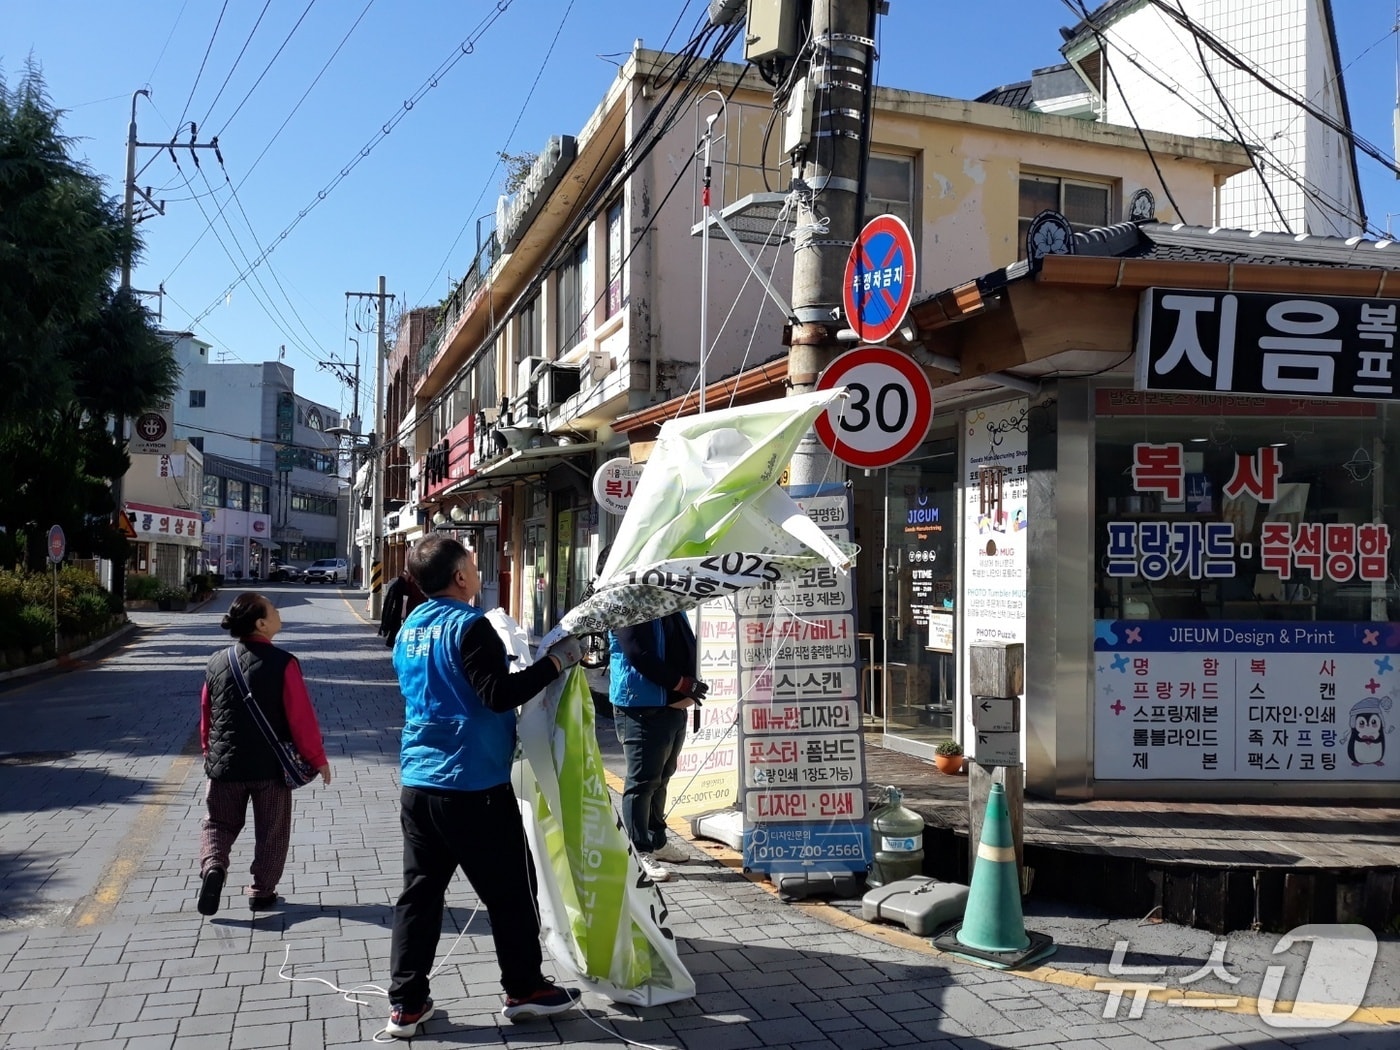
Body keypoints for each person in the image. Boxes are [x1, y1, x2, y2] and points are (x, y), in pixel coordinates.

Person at [385, 534, 584, 1039]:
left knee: (419, 897)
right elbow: (498, 694)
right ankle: (524, 989)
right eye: (473, 565)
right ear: (459, 577)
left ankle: (407, 1004)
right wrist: (557, 662)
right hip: (474, 785)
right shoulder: (470, 626)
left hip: (419, 783)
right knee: (512, 893)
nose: (478, 571)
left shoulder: (410, 627)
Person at [196, 593, 331, 917]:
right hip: (270, 768)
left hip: (224, 765)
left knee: (218, 823)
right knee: (272, 830)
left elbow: (207, 713)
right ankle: (262, 891)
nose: (278, 613)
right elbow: (300, 717)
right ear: (261, 623)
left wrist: (209, 751)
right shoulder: (283, 663)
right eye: (273, 610)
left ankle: (214, 866)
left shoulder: (217, 661)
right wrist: (317, 759)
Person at [608, 610, 708, 883]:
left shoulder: (668, 603)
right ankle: (638, 850)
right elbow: (638, 653)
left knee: (662, 777)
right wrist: (681, 683)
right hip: (641, 707)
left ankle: (657, 840)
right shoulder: (628, 604)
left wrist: (686, 689)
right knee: (642, 781)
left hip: (672, 705)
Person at [378, 567, 427, 648]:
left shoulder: (404, 583)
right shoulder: (408, 584)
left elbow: (391, 604)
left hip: (407, 617)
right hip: (413, 616)